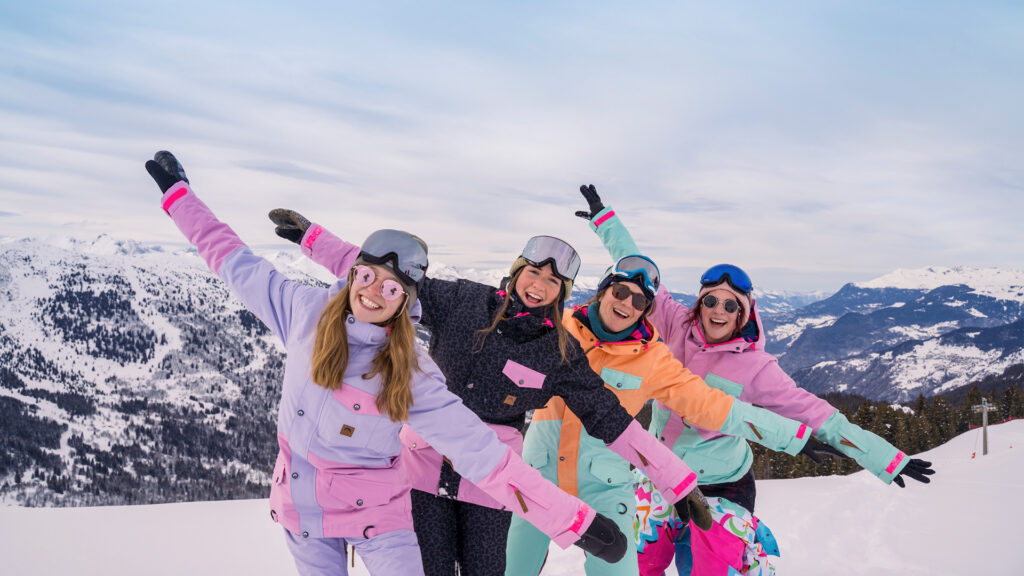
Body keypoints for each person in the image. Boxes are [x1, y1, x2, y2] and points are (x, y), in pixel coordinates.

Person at [140, 150, 631, 576]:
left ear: (406, 303)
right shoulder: (302, 313)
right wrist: (179, 196)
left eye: (392, 287)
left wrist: (574, 521)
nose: (375, 292)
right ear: (353, 274)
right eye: (368, 276)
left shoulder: (412, 374)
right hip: (304, 514)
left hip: (379, 517)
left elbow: (486, 455)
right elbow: (231, 257)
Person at [266, 209, 709, 576]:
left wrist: (679, 483)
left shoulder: (560, 355)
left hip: (493, 487)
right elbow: (386, 279)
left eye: (552, 282)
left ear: (563, 292)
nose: (538, 286)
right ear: (517, 271)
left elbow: (612, 421)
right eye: (533, 273)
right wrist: (314, 240)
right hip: (421, 469)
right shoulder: (463, 301)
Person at [574, 184, 936, 576]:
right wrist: (605, 220)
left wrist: (886, 458)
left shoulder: (757, 368)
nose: (718, 310)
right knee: (638, 564)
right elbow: (638, 272)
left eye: (731, 305)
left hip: (721, 485)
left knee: (708, 570)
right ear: (700, 303)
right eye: (711, 300)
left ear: (742, 314)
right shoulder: (676, 323)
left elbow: (818, 415)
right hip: (660, 473)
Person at [504, 253, 817, 576]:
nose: (627, 304)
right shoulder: (558, 326)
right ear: (603, 291)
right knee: (511, 568)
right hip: (537, 475)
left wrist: (793, 436)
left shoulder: (652, 359)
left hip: (605, 486)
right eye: (620, 292)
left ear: (645, 310)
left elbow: (712, 404)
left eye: (639, 301)